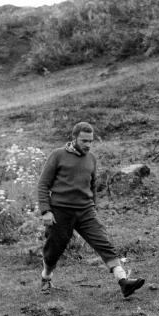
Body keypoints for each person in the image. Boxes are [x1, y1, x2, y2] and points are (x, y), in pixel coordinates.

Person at [37, 121, 145, 297]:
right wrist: (45, 211)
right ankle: (46, 278)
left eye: (90, 141)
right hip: (60, 211)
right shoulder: (57, 155)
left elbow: (92, 185)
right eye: (84, 141)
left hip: (85, 211)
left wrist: (93, 205)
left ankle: (123, 281)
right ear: (74, 138)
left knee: (104, 242)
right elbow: (43, 184)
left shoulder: (91, 158)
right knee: (53, 250)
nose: (88, 145)